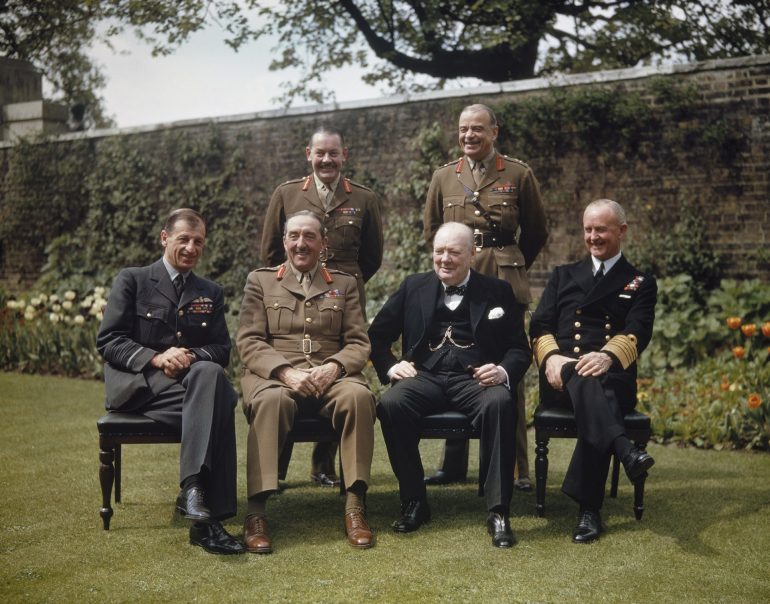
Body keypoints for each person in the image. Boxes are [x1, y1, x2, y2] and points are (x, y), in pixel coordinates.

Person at [368, 222, 532, 548]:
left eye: (454, 252)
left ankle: (498, 511)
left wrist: (502, 371)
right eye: (439, 251)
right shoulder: (413, 287)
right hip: (424, 376)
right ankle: (414, 501)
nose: (444, 259)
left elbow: (519, 348)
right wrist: (390, 367)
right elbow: (376, 336)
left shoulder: (497, 291)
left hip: (475, 379)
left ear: (473, 254)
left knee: (500, 403)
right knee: (391, 404)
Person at [96, 208, 244, 555]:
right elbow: (109, 341)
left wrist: (190, 357)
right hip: (140, 387)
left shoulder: (210, 291)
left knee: (209, 375)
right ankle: (208, 518)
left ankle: (195, 497)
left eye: (199, 242)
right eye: (184, 240)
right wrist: (157, 357)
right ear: (165, 238)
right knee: (222, 399)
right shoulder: (132, 280)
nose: (192, 248)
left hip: (187, 389)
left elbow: (222, 349)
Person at [423, 103, 547, 491]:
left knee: (508, 366)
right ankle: (453, 464)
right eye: (463, 130)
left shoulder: (518, 173)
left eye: (478, 129)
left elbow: (537, 231)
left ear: (495, 131)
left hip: (503, 277)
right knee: (455, 360)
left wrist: (509, 260)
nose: (469, 136)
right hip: (459, 278)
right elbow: (432, 230)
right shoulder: (444, 177)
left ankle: (516, 468)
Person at [237, 211, 377, 553]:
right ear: (284, 241)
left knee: (358, 397)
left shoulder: (343, 284)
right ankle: (256, 513)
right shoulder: (261, 281)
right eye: (294, 236)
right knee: (271, 402)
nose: (302, 243)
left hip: (330, 377)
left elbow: (359, 343)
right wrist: (285, 372)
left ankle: (354, 507)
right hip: (276, 377)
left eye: (310, 237)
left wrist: (333, 367)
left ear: (323, 244)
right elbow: (249, 342)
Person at [261, 125, 384, 488]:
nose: (327, 160)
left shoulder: (364, 199)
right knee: (289, 370)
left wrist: (341, 287)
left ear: (344, 155)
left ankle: (323, 465)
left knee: (336, 374)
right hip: (291, 296)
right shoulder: (286, 194)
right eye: (320, 153)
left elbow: (372, 257)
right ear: (308, 155)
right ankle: (277, 469)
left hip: (341, 299)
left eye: (334, 153)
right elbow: (270, 253)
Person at [529, 199, 657, 543]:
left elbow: (638, 331)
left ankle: (590, 508)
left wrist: (606, 357)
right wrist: (552, 357)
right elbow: (539, 324)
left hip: (611, 375)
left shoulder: (640, 282)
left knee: (598, 389)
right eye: (588, 229)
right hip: (562, 377)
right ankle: (621, 457)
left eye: (601, 229)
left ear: (622, 231)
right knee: (589, 385)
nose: (593, 237)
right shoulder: (563, 275)